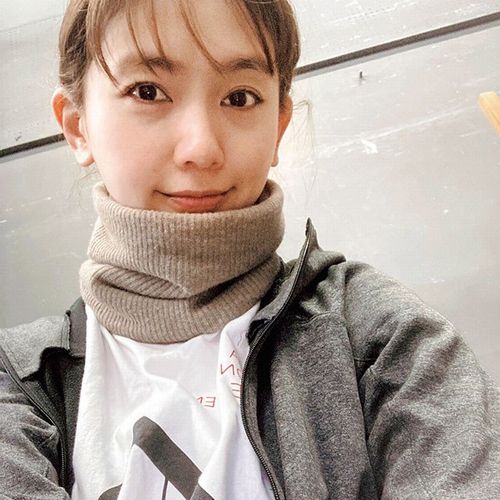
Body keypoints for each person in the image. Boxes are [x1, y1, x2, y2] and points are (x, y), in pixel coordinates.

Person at [0, 0, 498, 498]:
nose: (201, 148)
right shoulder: (18, 380)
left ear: (278, 126)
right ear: (78, 125)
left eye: (239, 98)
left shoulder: (380, 336)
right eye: (147, 91)